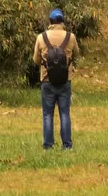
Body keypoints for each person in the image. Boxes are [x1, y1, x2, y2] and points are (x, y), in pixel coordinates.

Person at [32, 8, 79, 152]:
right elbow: (76, 54)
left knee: (47, 114)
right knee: (64, 113)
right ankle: (67, 145)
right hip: (65, 81)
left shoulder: (41, 37)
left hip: (47, 80)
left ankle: (48, 145)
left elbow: (36, 60)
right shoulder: (70, 37)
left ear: (50, 21)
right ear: (62, 21)